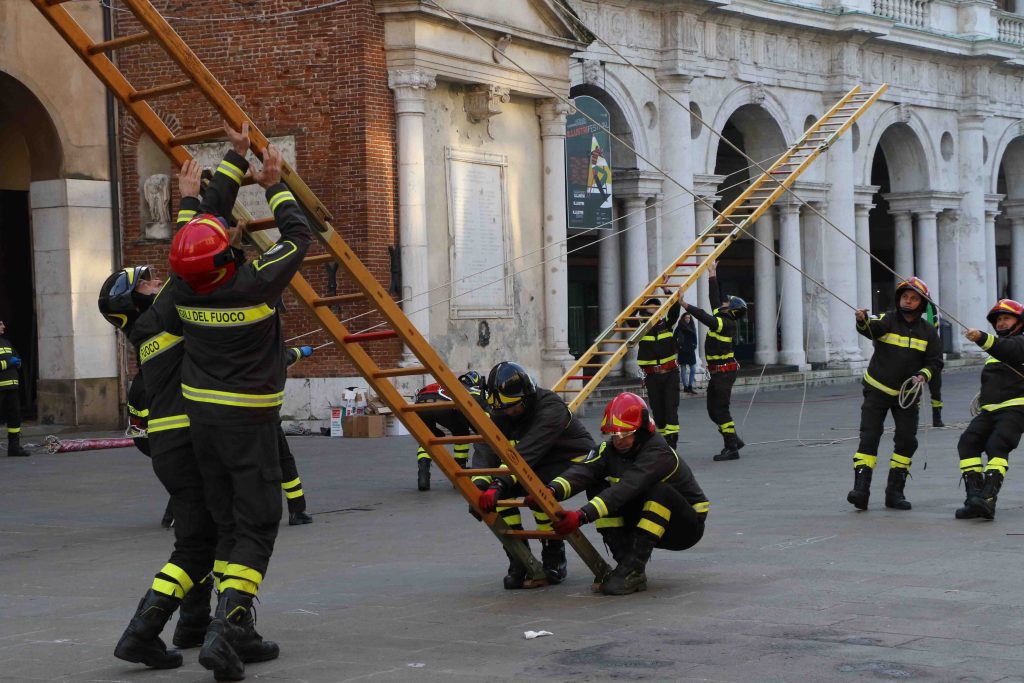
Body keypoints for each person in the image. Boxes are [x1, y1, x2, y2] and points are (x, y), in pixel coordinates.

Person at [106, 122, 251, 671]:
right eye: (141, 282)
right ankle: (199, 629)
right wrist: (212, 185)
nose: (151, 281)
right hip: (191, 440)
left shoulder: (148, 329)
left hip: (171, 447)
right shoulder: (162, 311)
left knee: (197, 540)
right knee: (218, 536)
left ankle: (164, 628)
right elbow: (188, 257)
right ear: (137, 303)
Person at [167, 137, 311, 678]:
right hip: (250, 422)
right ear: (229, 255)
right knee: (257, 525)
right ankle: (226, 632)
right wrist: (275, 185)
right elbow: (299, 234)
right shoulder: (255, 282)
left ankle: (233, 628)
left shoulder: (184, 286)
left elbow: (194, 236)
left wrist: (225, 167)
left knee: (228, 524)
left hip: (201, 419)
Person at [532, 392, 709, 595]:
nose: (618, 441)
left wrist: (581, 516)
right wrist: (550, 491)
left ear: (642, 431)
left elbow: (624, 490)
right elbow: (583, 471)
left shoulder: (658, 453)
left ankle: (633, 569)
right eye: (614, 435)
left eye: (625, 434)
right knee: (597, 485)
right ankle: (625, 564)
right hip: (647, 518)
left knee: (660, 492)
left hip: (685, 527)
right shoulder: (609, 449)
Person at [474, 361, 596, 588]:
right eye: (503, 409)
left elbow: (530, 449)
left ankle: (554, 557)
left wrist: (499, 482)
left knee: (538, 488)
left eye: (514, 407)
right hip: (536, 463)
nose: (509, 413)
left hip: (574, 461)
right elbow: (486, 447)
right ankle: (519, 558)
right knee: (500, 496)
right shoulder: (503, 410)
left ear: (527, 397)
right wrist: (480, 487)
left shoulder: (550, 407)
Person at [848, 277, 943, 511]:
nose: (908, 301)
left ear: (922, 304)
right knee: (869, 436)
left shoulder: (929, 332)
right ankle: (861, 490)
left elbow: (935, 362)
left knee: (907, 440)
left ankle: (895, 493)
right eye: (904, 297)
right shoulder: (887, 319)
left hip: (907, 395)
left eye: (913, 298)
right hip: (877, 389)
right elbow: (871, 328)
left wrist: (923, 375)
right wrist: (862, 320)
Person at [956, 299, 1024, 520]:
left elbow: (1008, 349)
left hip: (1016, 407)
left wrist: (982, 338)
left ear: (1019, 321)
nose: (1001, 323)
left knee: (998, 445)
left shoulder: (1018, 342)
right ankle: (974, 498)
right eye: (999, 320)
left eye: (1006, 318)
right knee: (967, 443)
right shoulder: (996, 348)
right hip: (990, 410)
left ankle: (988, 499)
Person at [682, 260, 747, 461]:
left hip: (725, 372)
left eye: (728, 302)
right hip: (720, 372)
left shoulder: (725, 323)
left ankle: (731, 447)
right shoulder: (723, 318)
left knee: (720, 409)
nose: (724, 302)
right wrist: (712, 273)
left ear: (732, 310)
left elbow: (704, 316)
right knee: (712, 410)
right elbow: (714, 299)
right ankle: (734, 439)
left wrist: (684, 305)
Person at [413, 370, 485, 491]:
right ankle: (460, 472)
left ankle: (423, 471)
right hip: (443, 404)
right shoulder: (468, 389)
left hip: (420, 403)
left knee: (427, 438)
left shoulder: (446, 383)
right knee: (461, 433)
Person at [631, 289, 681, 448]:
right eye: (649, 308)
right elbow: (630, 316)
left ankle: (672, 441)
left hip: (670, 373)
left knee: (670, 407)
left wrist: (667, 291)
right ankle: (665, 438)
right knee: (657, 409)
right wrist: (646, 294)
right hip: (652, 375)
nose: (653, 310)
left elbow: (674, 309)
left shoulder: (667, 323)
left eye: (656, 308)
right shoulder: (641, 327)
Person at [281, 345, 314, 525]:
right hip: (265, 421)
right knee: (285, 464)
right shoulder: (269, 354)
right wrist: (304, 351)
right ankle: (297, 511)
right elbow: (288, 356)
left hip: (227, 418)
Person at [0, 319, 29, 457]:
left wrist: (17, 362)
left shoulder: (6, 342)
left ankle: (14, 447)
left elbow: (16, 356)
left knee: (15, 418)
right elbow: (7, 362)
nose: (3, 326)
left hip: (12, 386)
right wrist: (8, 363)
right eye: (0, 324)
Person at [924, 300, 944, 427]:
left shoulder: (930, 306)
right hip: (918, 354)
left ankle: (937, 417)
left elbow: (935, 325)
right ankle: (913, 418)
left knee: (936, 391)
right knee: (915, 390)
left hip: (933, 354)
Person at [675, 312, 699, 395]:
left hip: (691, 350)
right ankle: (685, 387)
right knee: (683, 369)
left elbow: (695, 338)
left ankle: (690, 386)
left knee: (693, 369)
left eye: (689, 318)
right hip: (682, 350)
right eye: (686, 318)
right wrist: (679, 347)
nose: (687, 319)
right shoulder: (679, 327)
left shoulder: (692, 326)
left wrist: (694, 345)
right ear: (683, 318)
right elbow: (674, 337)